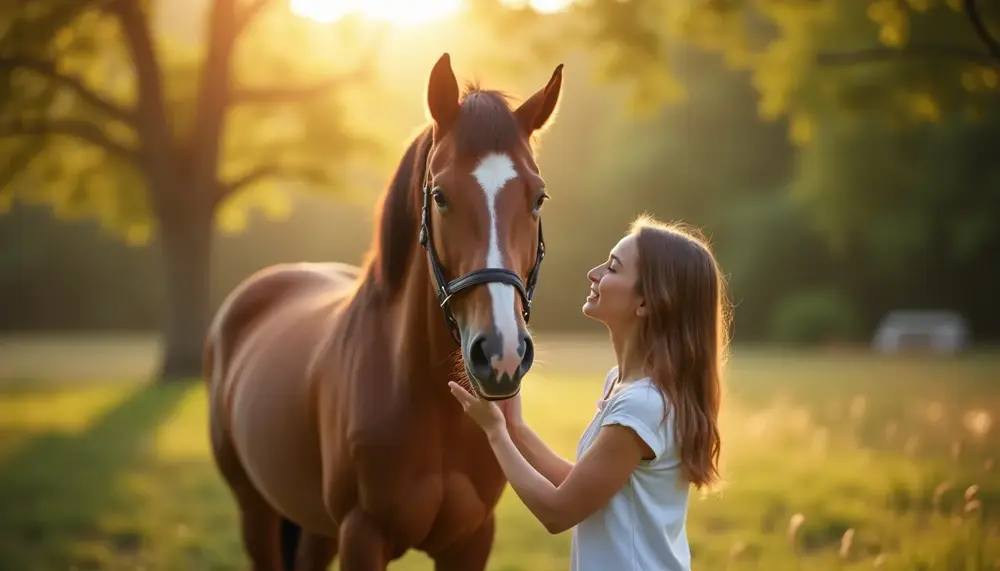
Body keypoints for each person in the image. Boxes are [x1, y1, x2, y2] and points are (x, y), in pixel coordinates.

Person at [449, 214, 730, 571]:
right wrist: (516, 427)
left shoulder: (642, 406)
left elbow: (557, 511)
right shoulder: (623, 385)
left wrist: (496, 433)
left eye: (612, 268)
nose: (594, 273)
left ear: (646, 303)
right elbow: (582, 487)